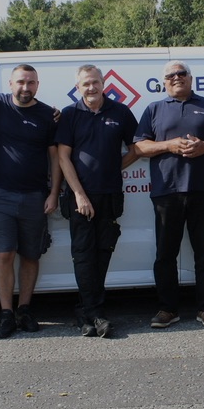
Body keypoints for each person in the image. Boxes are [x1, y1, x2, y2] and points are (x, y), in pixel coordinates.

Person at [129, 60, 204, 329]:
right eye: (171, 75)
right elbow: (140, 147)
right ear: (163, 82)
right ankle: (167, 309)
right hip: (167, 192)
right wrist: (169, 145)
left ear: (190, 78)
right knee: (165, 255)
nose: (176, 77)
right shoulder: (154, 109)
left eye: (181, 73)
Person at [57, 64, 138, 338]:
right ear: (77, 87)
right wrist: (79, 194)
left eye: (95, 82)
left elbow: (136, 148)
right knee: (83, 255)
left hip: (110, 194)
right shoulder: (70, 114)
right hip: (79, 196)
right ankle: (95, 313)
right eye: (85, 84)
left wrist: (114, 168)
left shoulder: (121, 112)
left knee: (103, 251)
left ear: (103, 83)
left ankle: (87, 312)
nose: (91, 87)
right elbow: (63, 157)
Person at [0, 65, 60, 338]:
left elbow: (55, 157)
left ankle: (24, 309)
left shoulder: (47, 115)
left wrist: (53, 193)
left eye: (30, 82)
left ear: (37, 84)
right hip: (0, 195)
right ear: (10, 83)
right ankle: (6, 313)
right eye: (20, 82)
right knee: (4, 254)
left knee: (30, 254)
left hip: (35, 197)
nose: (25, 87)